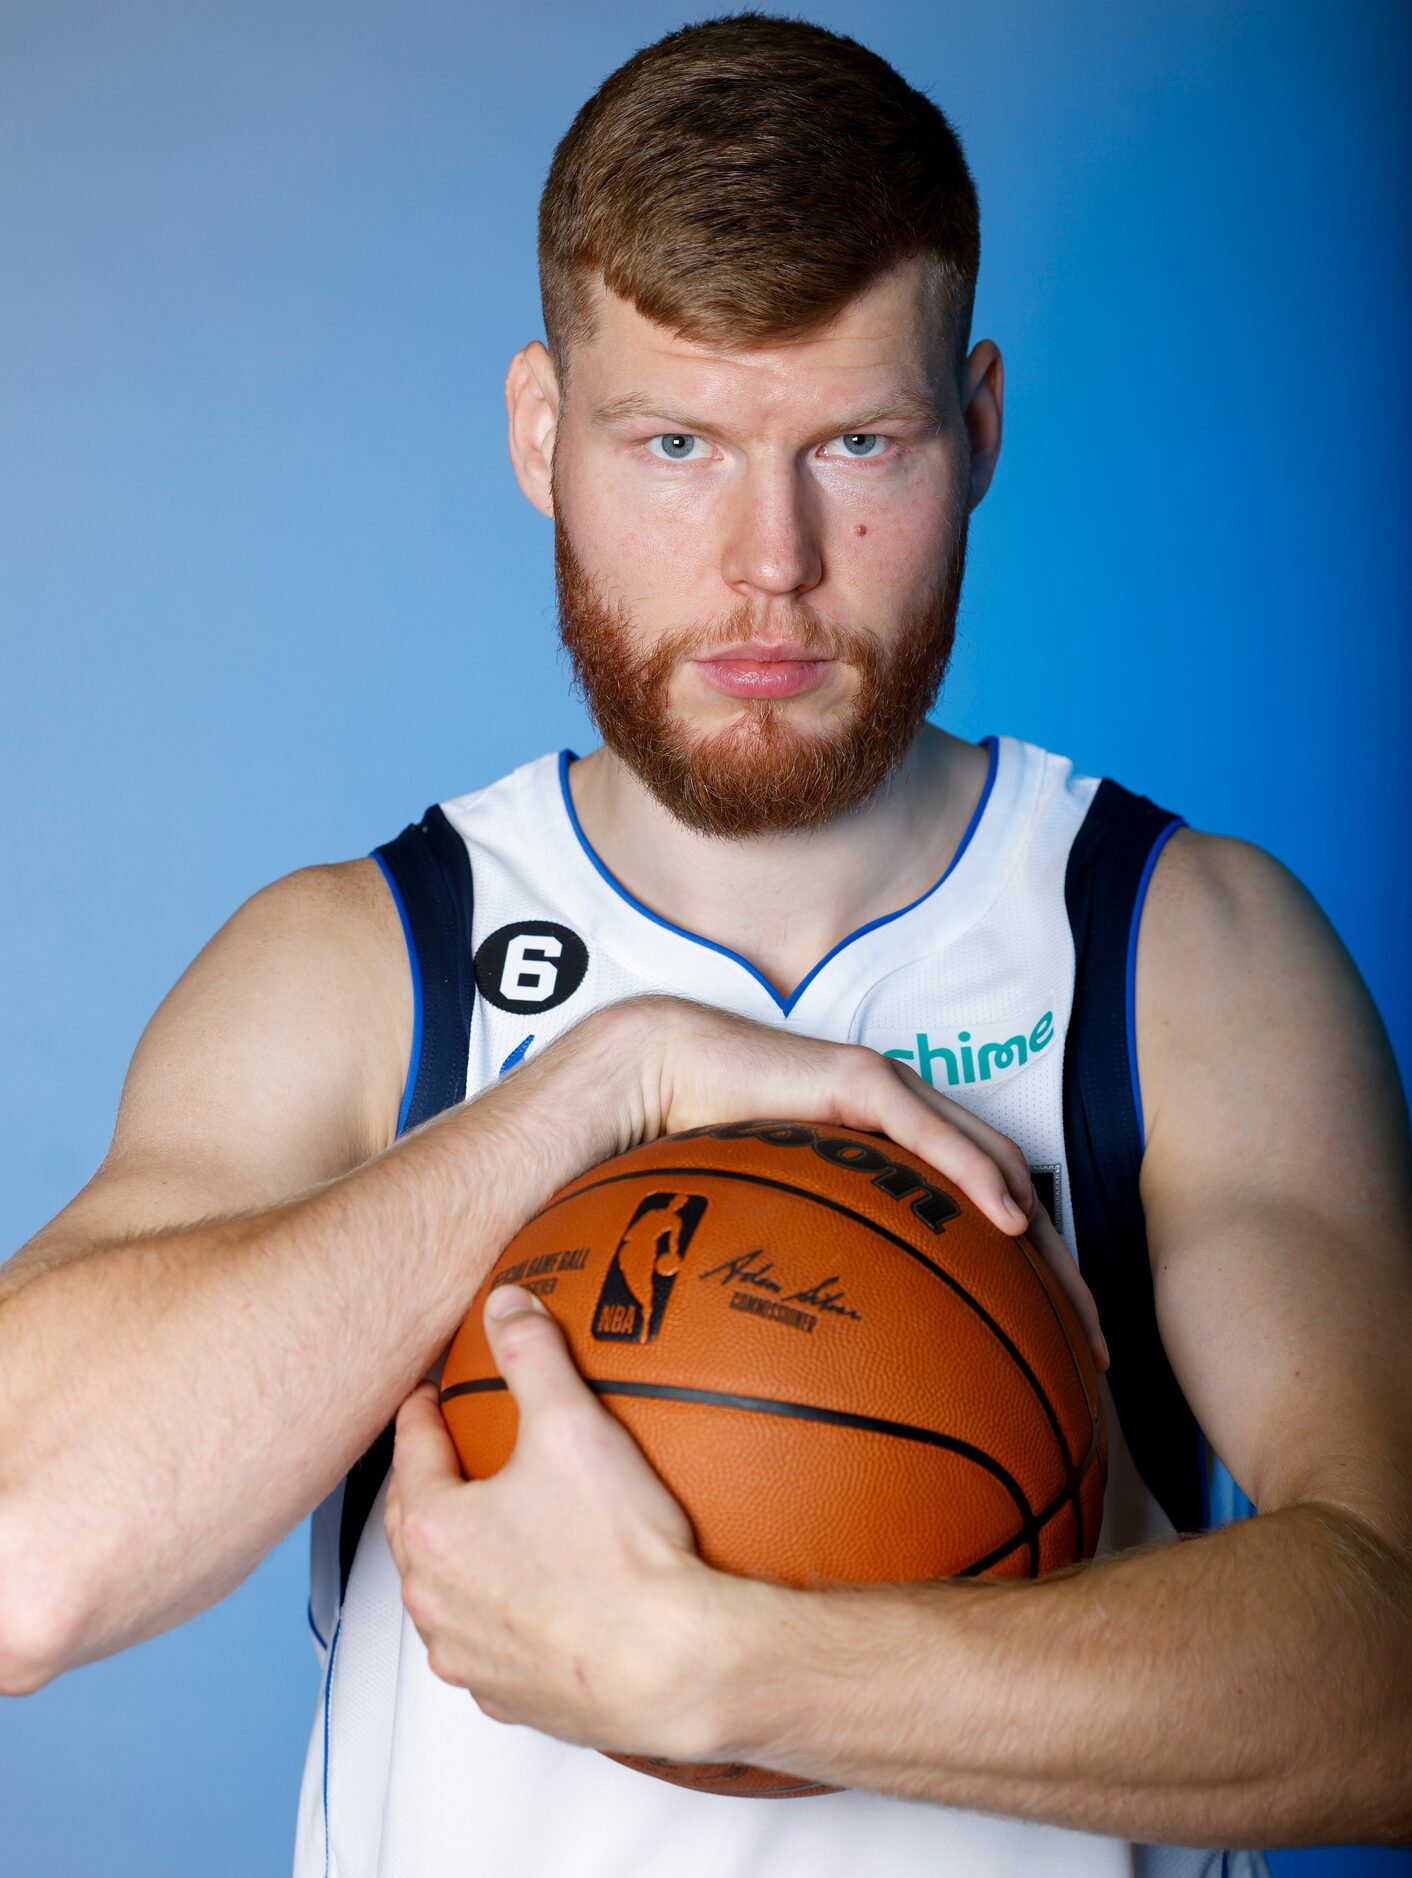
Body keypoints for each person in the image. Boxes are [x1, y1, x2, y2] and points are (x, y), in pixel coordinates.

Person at [1, 13, 1408, 1878]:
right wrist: (601, 1089)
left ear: (978, 427)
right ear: (537, 431)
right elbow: (24, 1543)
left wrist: (739, 1672)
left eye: (859, 440)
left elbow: (1389, 1669)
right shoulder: (369, 972)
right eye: (675, 441)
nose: (773, 560)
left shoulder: (1176, 952)